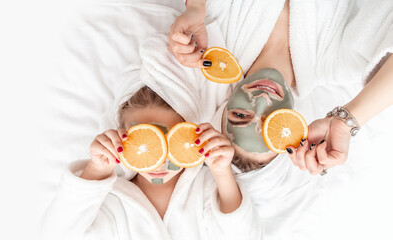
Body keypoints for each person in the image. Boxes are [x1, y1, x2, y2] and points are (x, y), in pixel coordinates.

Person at [40, 35, 262, 240]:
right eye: (144, 141)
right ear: (121, 138)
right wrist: (96, 171)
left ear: (189, 135)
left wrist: (222, 173)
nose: (160, 160)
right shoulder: (111, 199)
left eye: (170, 142)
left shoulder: (206, 189)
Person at [168, 0, 393, 175]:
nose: (263, 100)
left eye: (240, 114)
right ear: (293, 126)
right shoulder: (336, 60)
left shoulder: (217, 34)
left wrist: (196, 6)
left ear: (226, 106)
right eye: (271, 121)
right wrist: (345, 122)